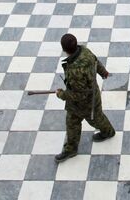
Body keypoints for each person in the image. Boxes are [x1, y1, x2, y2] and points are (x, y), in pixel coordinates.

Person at [54, 33, 115, 163]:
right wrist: (103, 72)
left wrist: (62, 95)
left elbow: (78, 94)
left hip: (83, 104)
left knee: (75, 122)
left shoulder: (75, 70)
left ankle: (71, 149)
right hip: (94, 95)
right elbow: (95, 62)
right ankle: (108, 132)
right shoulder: (85, 51)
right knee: (95, 118)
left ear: (64, 49)